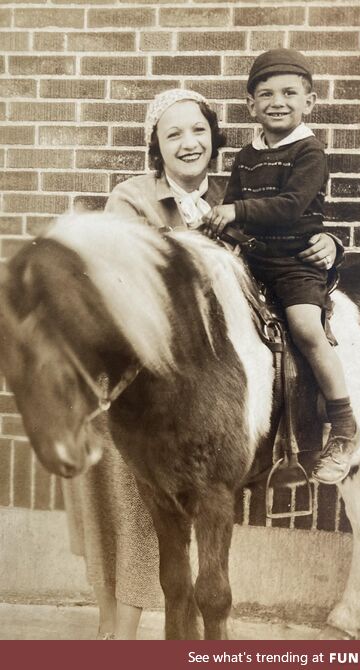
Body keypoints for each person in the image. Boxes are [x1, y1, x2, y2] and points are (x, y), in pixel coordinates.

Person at [64, 87, 342, 639]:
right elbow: (126, 283)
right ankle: (119, 632)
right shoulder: (133, 198)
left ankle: (193, 634)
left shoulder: (234, 192)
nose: (189, 143)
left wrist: (331, 242)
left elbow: (288, 233)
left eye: (198, 130)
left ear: (215, 137)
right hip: (141, 379)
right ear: (156, 146)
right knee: (133, 506)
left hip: (207, 382)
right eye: (173, 134)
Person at [203, 50, 360, 485]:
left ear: (309, 102)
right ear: (250, 105)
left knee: (306, 328)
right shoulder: (245, 156)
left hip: (295, 262)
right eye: (266, 93)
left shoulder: (310, 151)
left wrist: (235, 212)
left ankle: (344, 426)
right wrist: (219, 236)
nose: (278, 101)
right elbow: (234, 216)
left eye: (290, 93)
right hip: (253, 260)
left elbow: (291, 208)